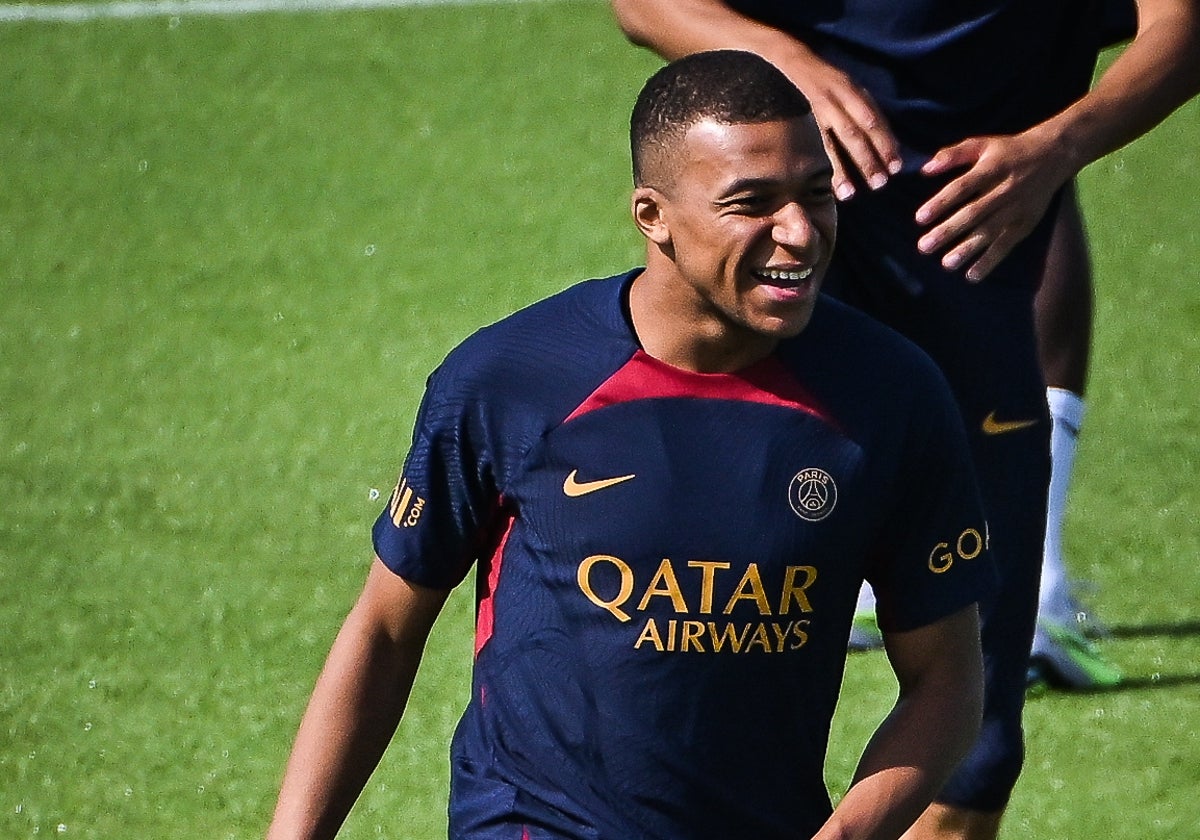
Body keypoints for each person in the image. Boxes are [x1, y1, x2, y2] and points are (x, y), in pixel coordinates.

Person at [267, 50, 996, 840]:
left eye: (815, 195)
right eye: (752, 203)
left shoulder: (891, 395)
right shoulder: (513, 380)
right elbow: (383, 628)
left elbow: (947, 676)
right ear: (654, 216)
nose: (799, 233)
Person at [609, 1, 1200, 838]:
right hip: (769, 297)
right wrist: (785, 59)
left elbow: (1182, 27)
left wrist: (1060, 146)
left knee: (980, 740)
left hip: (970, 276)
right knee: (676, 667)